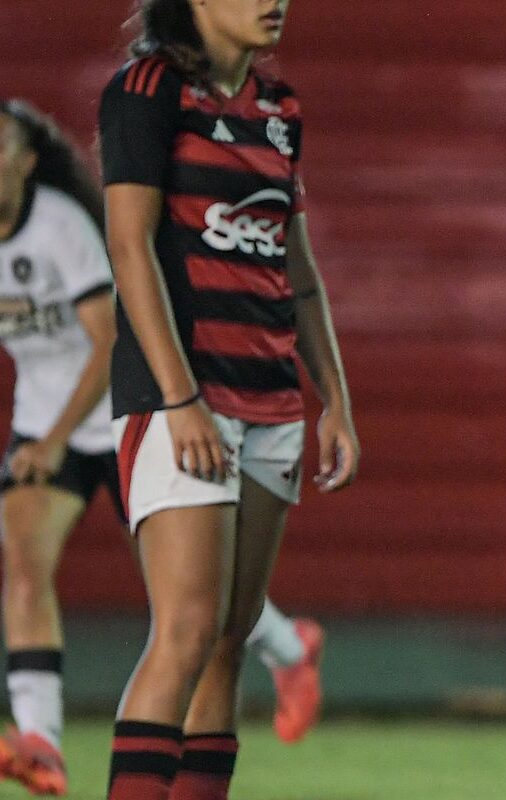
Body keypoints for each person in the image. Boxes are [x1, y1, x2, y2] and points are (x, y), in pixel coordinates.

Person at [0, 99, 333, 797]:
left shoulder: (60, 230)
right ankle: (42, 742)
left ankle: (289, 645)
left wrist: (56, 438)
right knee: (23, 567)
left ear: (30, 161)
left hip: (116, 418)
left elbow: (106, 343)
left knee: (191, 607)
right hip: (45, 427)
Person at [97, 0, 359, 796]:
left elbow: (299, 273)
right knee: (183, 632)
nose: (273, 1)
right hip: (183, 400)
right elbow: (129, 243)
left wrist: (335, 399)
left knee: (228, 643)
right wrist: (179, 401)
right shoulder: (147, 89)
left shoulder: (281, 110)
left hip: (272, 401)